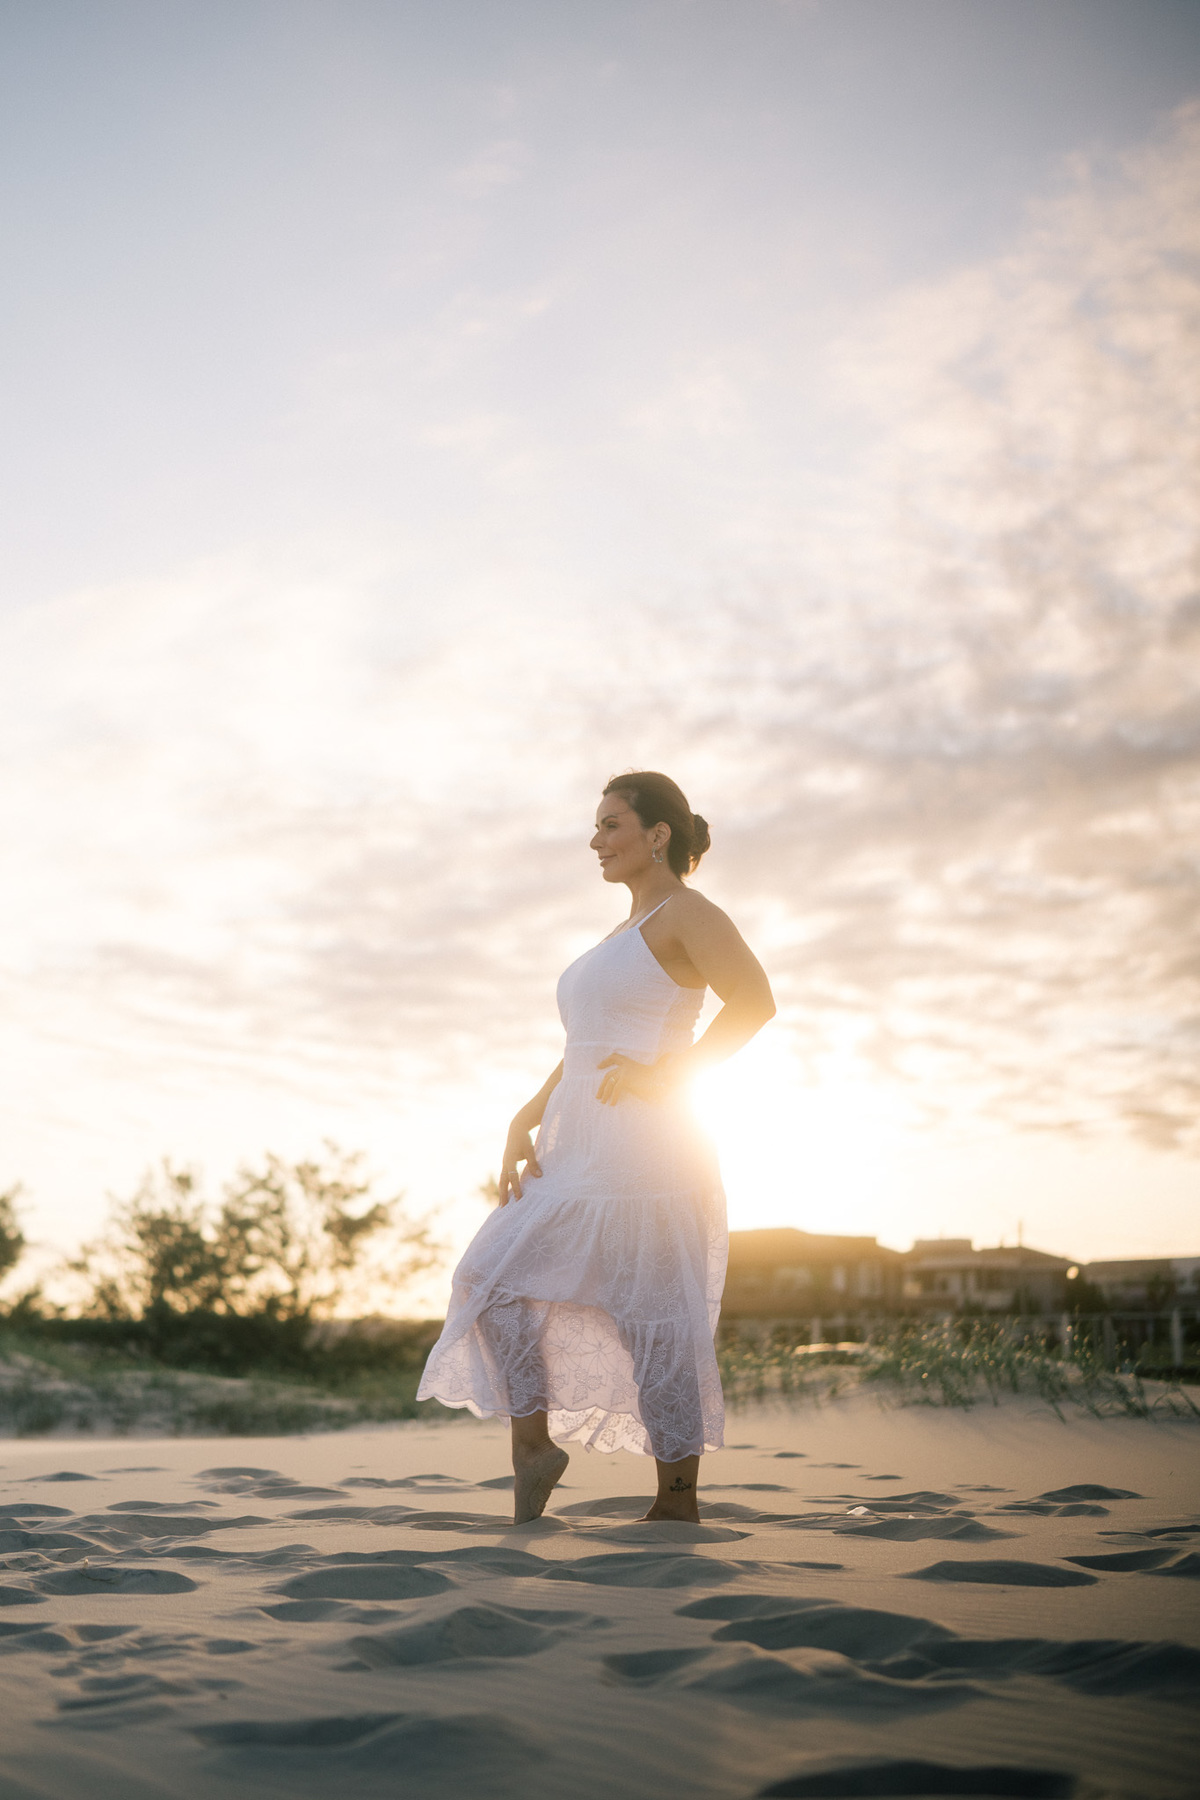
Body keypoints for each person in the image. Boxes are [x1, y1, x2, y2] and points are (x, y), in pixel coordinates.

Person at [417, 772, 776, 1524]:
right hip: (574, 1143)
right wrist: (529, 1110)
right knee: (489, 1278)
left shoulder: (689, 914)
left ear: (658, 835)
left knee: (653, 1317)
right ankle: (535, 1449)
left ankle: (676, 1501)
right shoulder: (618, 936)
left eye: (611, 824)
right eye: (596, 826)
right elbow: (585, 1045)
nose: (596, 841)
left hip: (647, 1144)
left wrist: (672, 1071)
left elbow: (755, 1000)